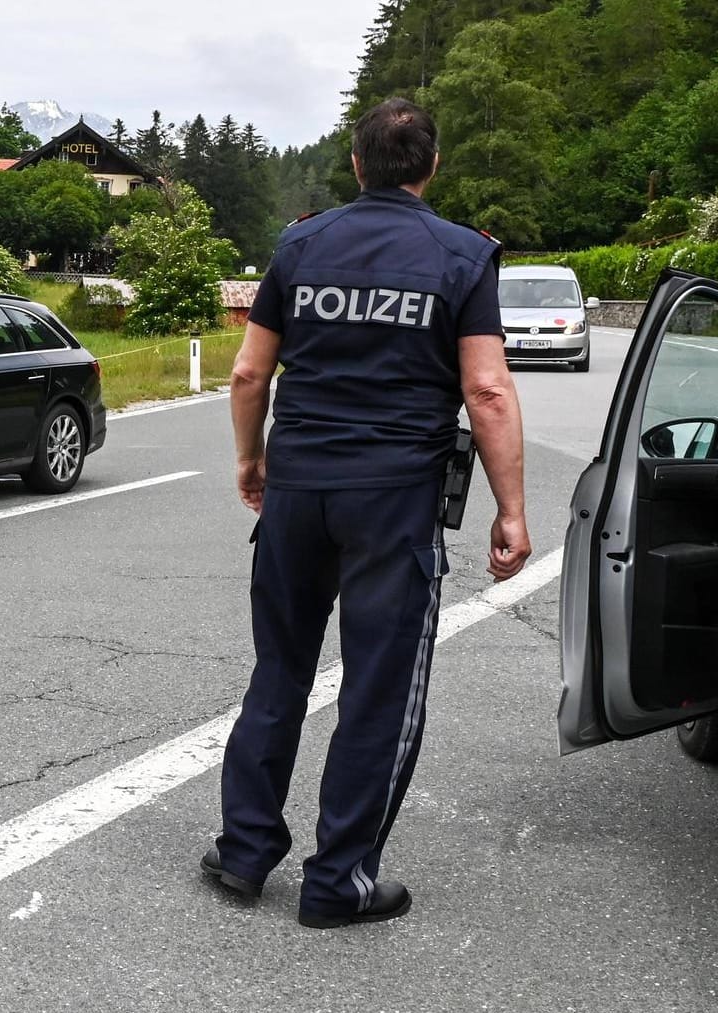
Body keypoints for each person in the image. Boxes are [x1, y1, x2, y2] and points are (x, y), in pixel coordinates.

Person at [200, 98, 531, 929]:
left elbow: (249, 375)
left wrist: (252, 459)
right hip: (394, 500)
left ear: (356, 166)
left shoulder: (301, 244)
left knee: (279, 669)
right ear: (431, 166)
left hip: (298, 493)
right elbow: (486, 389)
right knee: (378, 689)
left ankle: (243, 852)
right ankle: (337, 879)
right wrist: (511, 509)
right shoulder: (462, 257)